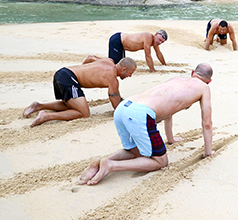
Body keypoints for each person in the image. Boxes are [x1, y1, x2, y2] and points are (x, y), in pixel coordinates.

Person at [77, 63, 214, 186]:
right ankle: (111, 165)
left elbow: (169, 111)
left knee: (134, 151)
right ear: (209, 81)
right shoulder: (204, 88)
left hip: (123, 107)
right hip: (140, 114)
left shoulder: (176, 80)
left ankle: (100, 162)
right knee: (161, 162)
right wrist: (208, 152)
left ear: (192, 73)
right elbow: (207, 123)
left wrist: (170, 139)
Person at [23, 57, 137, 127]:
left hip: (63, 73)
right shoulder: (112, 79)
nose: (130, 76)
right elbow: (115, 103)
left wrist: (83, 71)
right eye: (130, 73)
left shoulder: (109, 61)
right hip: (69, 79)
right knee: (84, 113)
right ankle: (46, 116)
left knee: (71, 105)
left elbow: (89, 57)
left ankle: (39, 106)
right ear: (123, 69)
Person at [100, 30, 168, 73]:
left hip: (122, 45)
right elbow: (148, 56)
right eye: (159, 40)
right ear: (155, 34)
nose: (160, 42)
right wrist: (153, 71)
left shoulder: (155, 42)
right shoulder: (148, 37)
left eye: (162, 42)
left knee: (120, 65)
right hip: (117, 40)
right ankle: (93, 59)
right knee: (113, 65)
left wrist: (164, 64)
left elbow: (159, 53)